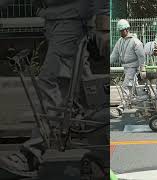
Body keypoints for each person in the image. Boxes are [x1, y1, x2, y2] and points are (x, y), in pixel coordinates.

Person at [0, 0, 108, 177]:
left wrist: (103, 22)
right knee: (80, 92)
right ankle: (101, 152)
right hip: (60, 18)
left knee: (52, 84)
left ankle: (32, 155)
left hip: (71, 21)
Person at [110, 19, 145, 109]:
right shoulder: (120, 41)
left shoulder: (135, 42)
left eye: (122, 31)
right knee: (133, 86)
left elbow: (141, 56)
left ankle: (123, 105)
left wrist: (142, 67)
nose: (120, 33)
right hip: (126, 67)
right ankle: (139, 101)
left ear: (127, 29)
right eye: (119, 31)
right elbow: (114, 55)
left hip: (133, 67)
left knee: (125, 85)